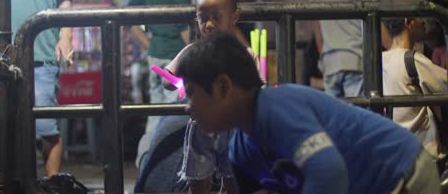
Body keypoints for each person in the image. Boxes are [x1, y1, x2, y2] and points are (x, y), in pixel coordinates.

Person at [175, 32, 441, 194]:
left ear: (223, 86)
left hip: (400, 172)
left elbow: (328, 173)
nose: (189, 106)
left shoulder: (276, 108)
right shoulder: (240, 149)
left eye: (191, 92)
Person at [166, 0, 264, 194]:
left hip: (234, 129)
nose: (208, 25)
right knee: (198, 183)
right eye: (202, 19)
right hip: (202, 126)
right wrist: (180, 79)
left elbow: (257, 89)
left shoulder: (244, 55)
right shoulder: (193, 50)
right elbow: (168, 78)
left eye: (216, 17)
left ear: (234, 17)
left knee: (233, 181)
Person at [0, 0, 73, 176]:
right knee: (10, 129)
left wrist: (66, 36)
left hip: (41, 57)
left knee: (46, 127)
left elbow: (64, 2)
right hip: (6, 63)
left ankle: (52, 186)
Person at [128, 0, 193, 168]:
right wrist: (196, 50)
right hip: (175, 61)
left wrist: (149, 45)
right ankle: (173, 168)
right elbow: (182, 21)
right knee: (179, 113)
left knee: (156, 114)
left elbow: (129, 15)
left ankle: (145, 162)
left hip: (155, 60)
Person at [382, 16, 447, 168]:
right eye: (419, 17)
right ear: (409, 22)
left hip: (397, 150)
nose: (424, 21)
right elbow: (445, 84)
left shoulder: (381, 60)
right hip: (425, 153)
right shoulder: (411, 60)